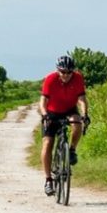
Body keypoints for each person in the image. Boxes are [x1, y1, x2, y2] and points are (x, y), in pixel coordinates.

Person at [39, 54, 90, 195]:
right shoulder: (50, 79)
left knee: (77, 122)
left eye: (69, 72)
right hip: (51, 112)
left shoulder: (78, 78)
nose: (66, 75)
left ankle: (72, 150)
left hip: (69, 109)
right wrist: (44, 115)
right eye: (63, 72)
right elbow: (43, 101)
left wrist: (85, 114)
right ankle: (48, 180)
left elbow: (82, 99)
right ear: (57, 70)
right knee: (48, 143)